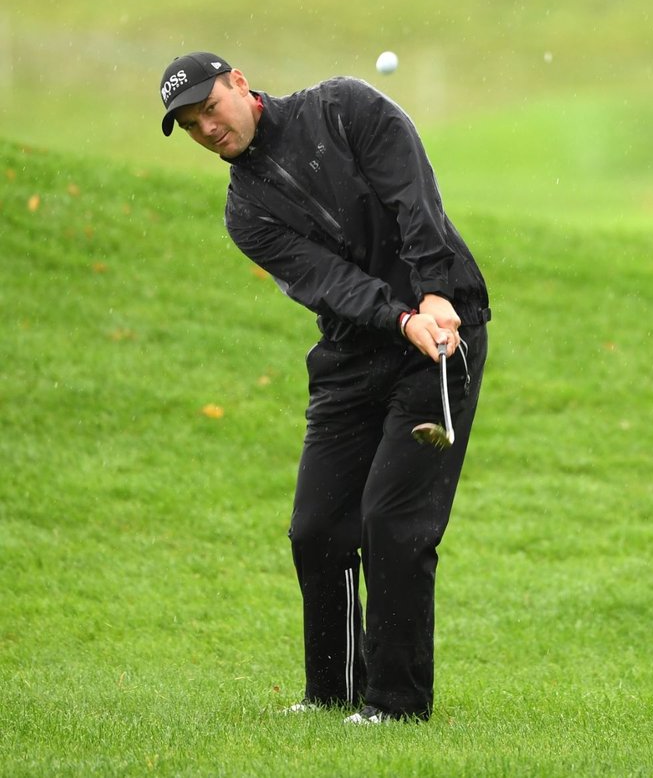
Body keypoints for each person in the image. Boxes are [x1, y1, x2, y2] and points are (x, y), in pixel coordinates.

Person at [158, 51, 490, 724]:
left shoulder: (343, 109)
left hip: (442, 338)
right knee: (317, 528)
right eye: (191, 126)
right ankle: (332, 693)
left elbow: (413, 196)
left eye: (209, 109)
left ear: (240, 84)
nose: (207, 129)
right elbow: (328, 282)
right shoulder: (245, 212)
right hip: (353, 352)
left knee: (394, 523)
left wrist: (433, 290)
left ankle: (395, 706)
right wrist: (399, 317)